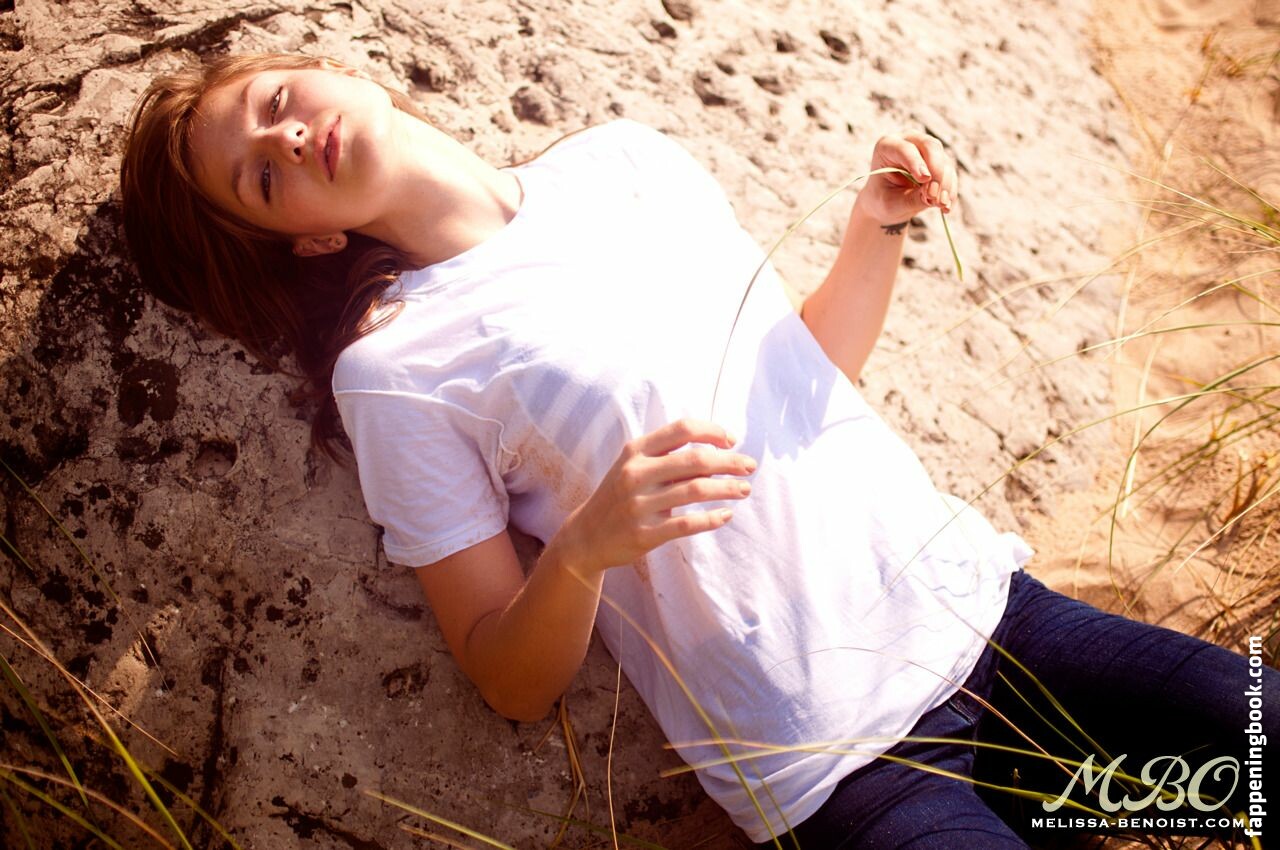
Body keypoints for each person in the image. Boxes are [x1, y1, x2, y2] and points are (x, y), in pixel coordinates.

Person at [119, 53, 1276, 849]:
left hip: (987, 617)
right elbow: (506, 676)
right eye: (260, 175)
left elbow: (804, 385)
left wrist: (873, 232)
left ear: (331, 68)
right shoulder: (395, 368)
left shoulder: (626, 162)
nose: (288, 135)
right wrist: (582, 547)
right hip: (839, 762)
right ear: (306, 239)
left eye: (276, 100)